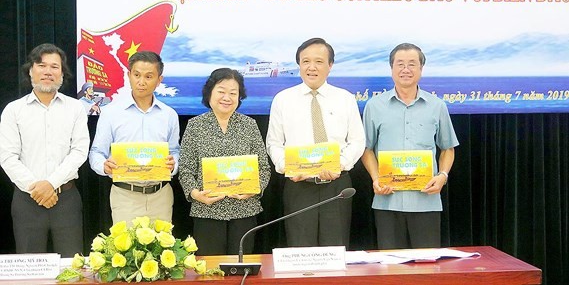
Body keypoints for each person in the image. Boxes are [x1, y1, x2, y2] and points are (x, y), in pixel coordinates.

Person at [266, 38, 365, 247]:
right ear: (299, 65)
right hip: (298, 186)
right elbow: (274, 143)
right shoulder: (283, 100)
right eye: (305, 61)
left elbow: (357, 140)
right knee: (300, 252)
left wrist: (340, 165)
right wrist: (287, 167)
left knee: (335, 252)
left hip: (336, 186)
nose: (312, 67)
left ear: (330, 66)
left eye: (319, 61)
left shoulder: (345, 98)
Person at [361, 43, 459, 249]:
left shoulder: (437, 106)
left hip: (426, 202)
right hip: (388, 200)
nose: (406, 69)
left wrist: (442, 176)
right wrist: (376, 178)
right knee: (390, 269)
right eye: (400, 64)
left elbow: (448, 148)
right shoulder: (374, 106)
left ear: (421, 69)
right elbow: (366, 149)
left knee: (426, 269)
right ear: (391, 69)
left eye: (412, 64)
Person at [0, 43, 89, 257]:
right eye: (41, 65)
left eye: (54, 67)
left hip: (66, 199)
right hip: (26, 200)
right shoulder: (14, 110)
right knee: (30, 268)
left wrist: (51, 184)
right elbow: (7, 157)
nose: (48, 71)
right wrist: (37, 189)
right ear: (31, 70)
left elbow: (79, 151)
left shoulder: (76, 108)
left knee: (72, 267)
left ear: (62, 73)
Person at [178, 68, 271, 255]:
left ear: (239, 97)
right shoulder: (195, 125)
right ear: (210, 93)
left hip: (244, 211)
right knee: (211, 274)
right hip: (207, 211)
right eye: (221, 91)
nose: (226, 98)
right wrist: (196, 194)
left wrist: (254, 188)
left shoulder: (249, 125)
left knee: (241, 271)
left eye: (233, 93)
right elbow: (186, 169)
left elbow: (263, 168)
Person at [89, 51, 180, 224]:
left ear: (159, 80)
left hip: (161, 195)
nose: (141, 82)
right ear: (128, 75)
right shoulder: (110, 113)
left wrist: (173, 164)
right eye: (136, 75)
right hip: (125, 196)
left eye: (149, 76)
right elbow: (96, 152)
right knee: (125, 250)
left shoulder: (169, 115)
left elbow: (175, 150)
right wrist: (104, 166)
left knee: (162, 249)